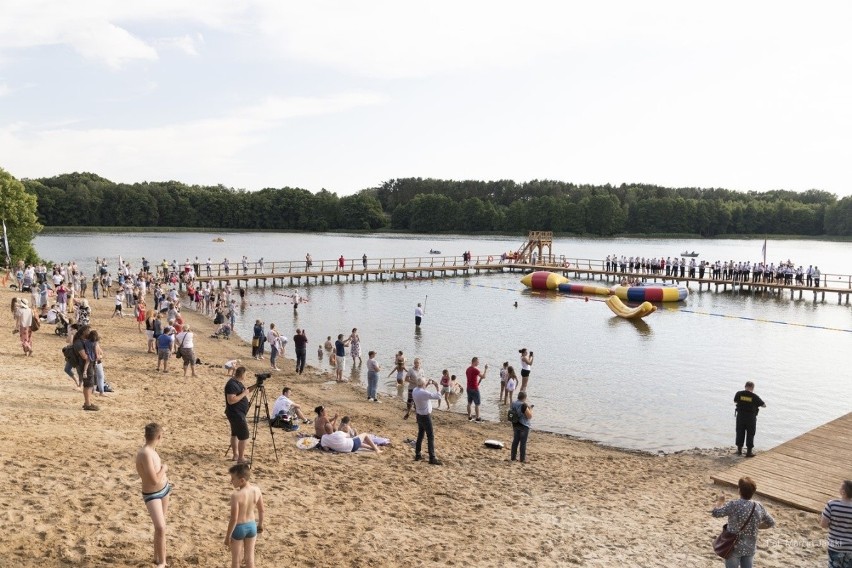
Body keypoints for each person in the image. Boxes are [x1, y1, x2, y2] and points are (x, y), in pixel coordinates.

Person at [711, 477, 775, 568]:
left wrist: (720, 501)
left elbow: (716, 513)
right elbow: (771, 522)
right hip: (750, 547)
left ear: (739, 490)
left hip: (733, 547)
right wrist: (757, 526)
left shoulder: (734, 504)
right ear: (753, 492)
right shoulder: (758, 506)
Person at [135, 423, 171, 568]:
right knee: (160, 527)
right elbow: (154, 480)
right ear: (159, 437)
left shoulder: (152, 450)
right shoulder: (145, 453)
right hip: (152, 493)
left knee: (160, 527)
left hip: (164, 490)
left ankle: (158, 557)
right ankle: (162, 562)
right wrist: (164, 468)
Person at [224, 463, 264, 568]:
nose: (230, 481)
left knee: (236, 561)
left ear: (242, 480)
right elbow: (261, 510)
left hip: (239, 528)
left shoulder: (236, 496)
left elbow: (234, 518)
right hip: (252, 526)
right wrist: (260, 525)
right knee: (250, 559)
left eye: (232, 478)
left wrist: (228, 536)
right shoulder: (257, 490)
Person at [225, 367, 256, 464]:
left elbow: (245, 391)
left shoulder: (237, 382)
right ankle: (241, 458)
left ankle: (235, 455)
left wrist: (256, 385)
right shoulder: (231, 384)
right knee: (244, 436)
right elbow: (231, 400)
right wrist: (244, 393)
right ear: (242, 374)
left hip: (237, 413)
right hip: (236, 414)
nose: (246, 376)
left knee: (235, 434)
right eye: (245, 374)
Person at [820, 480, 852, 568]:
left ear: (843, 492)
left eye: (840, 487)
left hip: (835, 545)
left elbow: (823, 524)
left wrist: (833, 524)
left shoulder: (832, 504)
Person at [412, 377, 443, 465]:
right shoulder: (424, 392)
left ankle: (418, 454)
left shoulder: (415, 390)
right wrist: (437, 386)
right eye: (425, 382)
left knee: (420, 434)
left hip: (419, 415)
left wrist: (427, 384)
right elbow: (438, 396)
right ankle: (432, 458)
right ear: (423, 384)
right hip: (425, 416)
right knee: (430, 436)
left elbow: (422, 390)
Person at [734, 381, 766, 457]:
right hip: (750, 418)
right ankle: (749, 452)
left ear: (745, 386)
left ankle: (739, 450)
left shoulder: (739, 394)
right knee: (750, 433)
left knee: (739, 432)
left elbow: (735, 401)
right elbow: (764, 405)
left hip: (741, 416)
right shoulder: (754, 396)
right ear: (753, 388)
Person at [510, 391, 533, 463]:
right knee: (523, 443)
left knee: (515, 441)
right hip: (523, 425)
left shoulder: (513, 403)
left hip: (515, 424)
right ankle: (522, 459)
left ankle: (513, 457)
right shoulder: (523, 405)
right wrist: (530, 409)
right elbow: (529, 416)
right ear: (524, 397)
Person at [465, 356, 488, 422]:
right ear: (474, 362)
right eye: (477, 362)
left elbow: (471, 378)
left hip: (468, 388)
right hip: (474, 388)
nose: (478, 363)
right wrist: (486, 369)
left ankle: (469, 416)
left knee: (469, 403)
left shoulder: (468, 369)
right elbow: (483, 377)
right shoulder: (475, 370)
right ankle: (477, 418)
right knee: (477, 404)